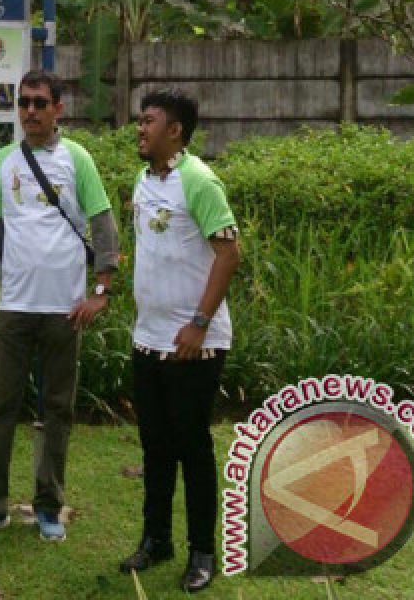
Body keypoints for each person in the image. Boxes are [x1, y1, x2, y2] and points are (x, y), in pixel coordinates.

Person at [0, 70, 120, 543]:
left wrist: (102, 290)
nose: (30, 111)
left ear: (58, 109)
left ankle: (49, 505)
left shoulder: (78, 160)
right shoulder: (4, 163)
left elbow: (103, 223)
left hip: (64, 309)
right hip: (15, 307)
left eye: (39, 103)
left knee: (57, 409)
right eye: (24, 103)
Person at [119, 88, 241, 593]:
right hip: (148, 339)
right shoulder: (144, 181)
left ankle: (202, 553)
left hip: (196, 342)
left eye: (149, 121)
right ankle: (156, 540)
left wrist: (198, 323)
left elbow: (229, 254)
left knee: (192, 447)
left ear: (175, 130)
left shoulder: (200, 181)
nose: (140, 129)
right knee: (155, 446)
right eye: (140, 121)